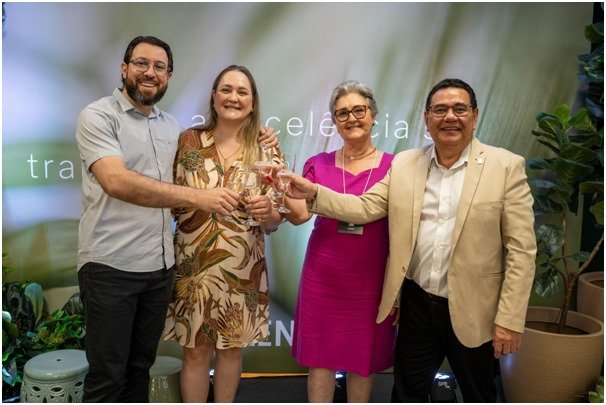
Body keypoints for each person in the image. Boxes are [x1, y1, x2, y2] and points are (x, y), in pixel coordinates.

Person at [286, 78, 537, 402]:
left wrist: (509, 319)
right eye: (440, 109)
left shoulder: (505, 166)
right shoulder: (406, 164)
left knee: (478, 392)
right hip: (417, 305)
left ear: (474, 116)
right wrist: (314, 192)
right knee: (408, 393)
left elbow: (522, 250)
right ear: (427, 118)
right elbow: (363, 207)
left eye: (459, 109)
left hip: (474, 307)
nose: (450, 116)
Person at [75, 37, 277, 402]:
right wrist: (202, 198)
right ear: (124, 69)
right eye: (141, 64)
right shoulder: (109, 119)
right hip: (125, 264)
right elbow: (117, 181)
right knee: (109, 373)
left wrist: (270, 212)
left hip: (168, 266)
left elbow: (278, 214)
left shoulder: (173, 128)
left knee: (141, 366)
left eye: (160, 67)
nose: (150, 73)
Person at [163, 65, 284, 403]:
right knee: (196, 354)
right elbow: (171, 200)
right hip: (195, 270)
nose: (234, 97)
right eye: (226, 89)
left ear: (252, 101)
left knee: (231, 353)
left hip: (243, 270)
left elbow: (276, 219)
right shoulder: (189, 141)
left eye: (242, 91)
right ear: (214, 96)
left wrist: (269, 214)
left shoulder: (267, 148)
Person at [283, 80, 397, 402]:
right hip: (324, 274)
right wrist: (281, 190)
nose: (351, 118)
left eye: (358, 110)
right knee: (320, 359)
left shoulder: (395, 167)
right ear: (334, 121)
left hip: (370, 278)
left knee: (362, 362)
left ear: (373, 114)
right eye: (341, 113)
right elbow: (301, 215)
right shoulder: (317, 164)